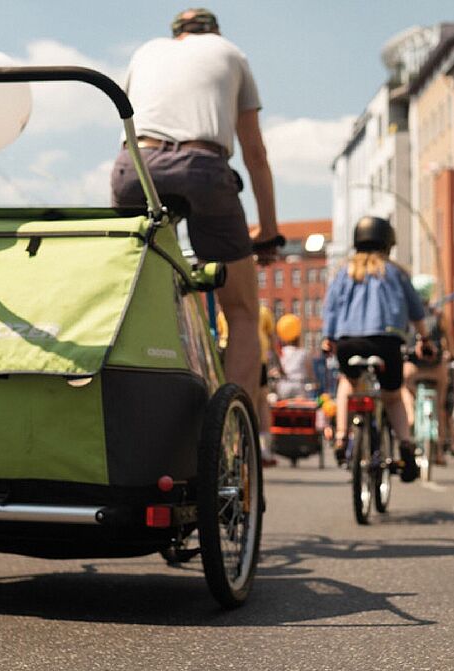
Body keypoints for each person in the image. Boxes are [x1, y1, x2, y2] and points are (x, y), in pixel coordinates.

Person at [112, 7, 282, 430]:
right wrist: (270, 231)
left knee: (132, 296)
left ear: (176, 35)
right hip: (203, 166)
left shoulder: (145, 52)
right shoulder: (231, 53)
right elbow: (255, 154)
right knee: (242, 311)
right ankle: (231, 425)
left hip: (136, 169)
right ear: (214, 32)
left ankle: (134, 399)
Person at [321, 216, 428, 482]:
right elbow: (416, 311)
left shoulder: (343, 271)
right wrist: (426, 339)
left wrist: (328, 337)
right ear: (388, 243)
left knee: (348, 380)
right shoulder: (395, 272)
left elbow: (331, 307)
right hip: (387, 342)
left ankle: (342, 436)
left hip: (348, 342)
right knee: (393, 396)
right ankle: (405, 445)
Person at [218, 304, 278, 465]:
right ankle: (260, 446)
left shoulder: (224, 312)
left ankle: (233, 445)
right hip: (256, 356)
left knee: (229, 398)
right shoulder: (263, 311)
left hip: (229, 354)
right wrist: (279, 363)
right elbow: (271, 338)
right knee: (261, 402)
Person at [400, 275, 450, 460]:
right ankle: (439, 452)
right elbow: (449, 342)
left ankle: (410, 414)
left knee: (403, 387)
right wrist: (451, 353)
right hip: (436, 367)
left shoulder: (407, 316)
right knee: (440, 404)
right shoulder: (438, 315)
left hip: (413, 367)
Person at [274, 313, 314, 400]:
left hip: (283, 386)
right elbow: (310, 372)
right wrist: (313, 381)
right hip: (298, 385)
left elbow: (277, 369)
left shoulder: (280, 353)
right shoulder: (303, 353)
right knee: (301, 410)